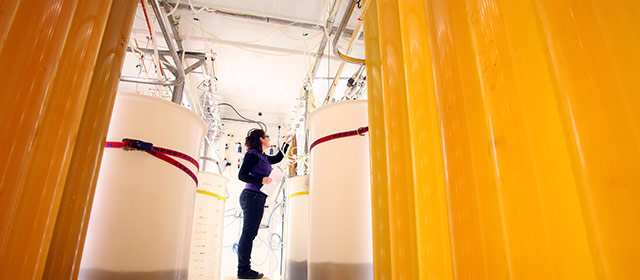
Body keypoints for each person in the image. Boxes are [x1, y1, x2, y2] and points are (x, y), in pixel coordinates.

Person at [236, 129, 289, 279]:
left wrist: (287, 142)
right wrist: (261, 180)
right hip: (251, 196)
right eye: (267, 137)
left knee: (250, 234)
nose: (269, 139)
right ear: (261, 139)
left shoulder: (263, 157)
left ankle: (245, 269)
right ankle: (243, 270)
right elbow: (242, 175)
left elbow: (278, 158)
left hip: (257, 198)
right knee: (248, 234)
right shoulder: (252, 155)